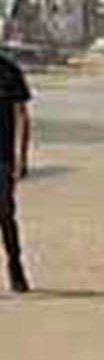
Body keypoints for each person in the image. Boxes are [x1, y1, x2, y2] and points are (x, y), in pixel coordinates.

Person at [0, 46, 31, 293]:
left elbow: (22, 116)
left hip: (3, 158)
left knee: (5, 213)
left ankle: (15, 265)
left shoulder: (9, 71)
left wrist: (21, 156)